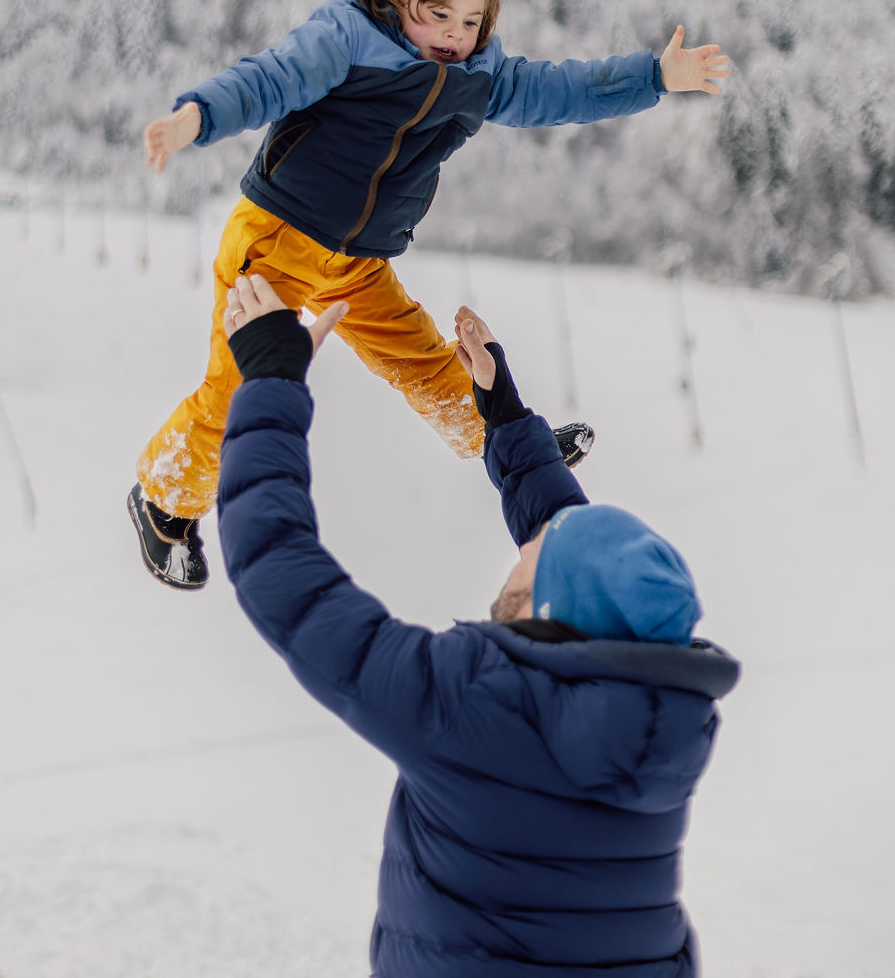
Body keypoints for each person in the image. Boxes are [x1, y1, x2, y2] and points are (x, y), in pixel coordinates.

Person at [129, 0, 729, 589]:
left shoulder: (478, 74)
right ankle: (162, 502)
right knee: (239, 388)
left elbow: (564, 89)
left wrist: (654, 75)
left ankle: (506, 442)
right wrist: (195, 118)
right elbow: (269, 79)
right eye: (437, 13)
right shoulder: (347, 38)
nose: (453, 33)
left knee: (420, 358)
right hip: (274, 242)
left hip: (358, 263)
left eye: (470, 21)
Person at [216, 272, 740, 978]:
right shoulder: (659, 731)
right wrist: (504, 411)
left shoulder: (477, 706)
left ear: (554, 612)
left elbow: (283, 575)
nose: (525, 541)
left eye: (536, 554)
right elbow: (573, 548)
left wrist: (271, 384)